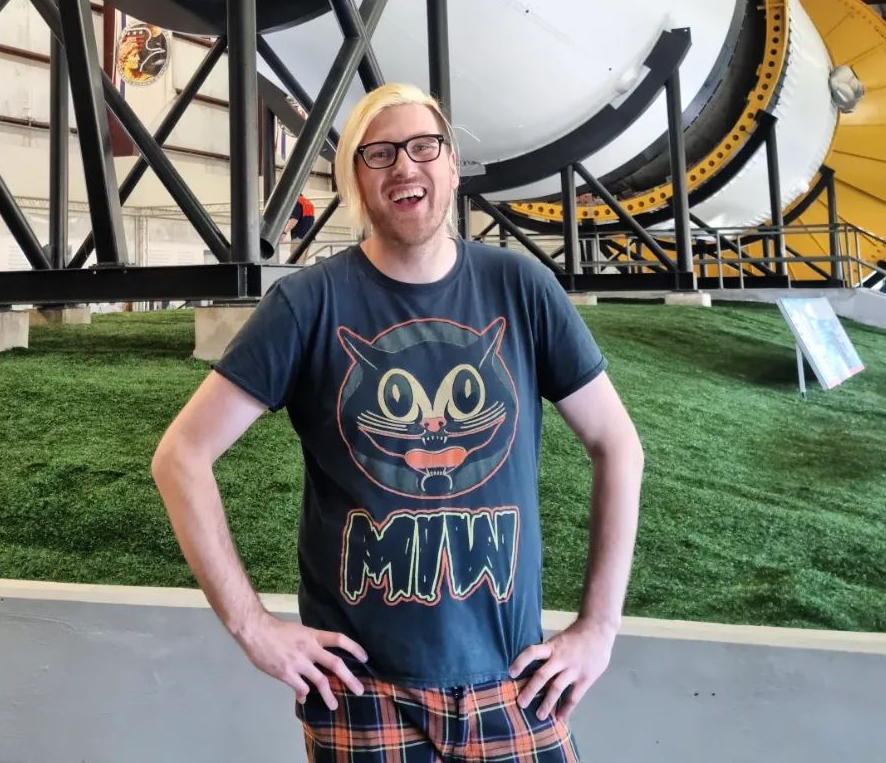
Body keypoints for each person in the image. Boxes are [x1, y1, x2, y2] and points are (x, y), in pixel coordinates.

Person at [153, 82, 644, 761]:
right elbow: (180, 455)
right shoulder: (308, 304)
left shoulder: (520, 289)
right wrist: (252, 627)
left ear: (450, 164)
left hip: (513, 681)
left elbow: (616, 442)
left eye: (423, 146)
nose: (405, 167)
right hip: (361, 694)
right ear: (353, 178)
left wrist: (599, 627)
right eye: (378, 154)